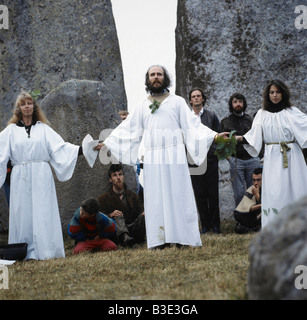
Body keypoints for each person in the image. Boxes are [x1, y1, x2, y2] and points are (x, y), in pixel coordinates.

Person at [94, 65, 229, 249]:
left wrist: (213, 135)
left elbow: (192, 126)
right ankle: (160, 239)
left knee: (178, 195)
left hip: (175, 156)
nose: (156, 77)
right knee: (156, 198)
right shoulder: (142, 105)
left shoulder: (178, 102)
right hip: (153, 157)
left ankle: (184, 238)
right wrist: (108, 143)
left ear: (165, 78)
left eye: (159, 74)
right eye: (152, 75)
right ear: (147, 79)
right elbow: (128, 129)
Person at [0, 91, 82, 260]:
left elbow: (61, 148)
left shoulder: (44, 129)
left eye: (29, 103)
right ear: (19, 108)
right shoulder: (10, 131)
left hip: (41, 175)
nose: (27, 106)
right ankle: (23, 251)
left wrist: (84, 149)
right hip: (20, 176)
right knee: (23, 214)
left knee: (43, 211)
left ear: (34, 106)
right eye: (23, 104)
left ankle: (46, 251)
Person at [236, 80, 307, 228]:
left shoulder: (292, 112)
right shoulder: (262, 114)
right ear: (267, 95)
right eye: (272, 92)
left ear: (283, 93)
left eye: (278, 92)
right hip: (273, 157)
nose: (275, 95)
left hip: (292, 155)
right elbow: (253, 136)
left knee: (295, 188)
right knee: (275, 191)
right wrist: (237, 138)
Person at [188, 88, 221, 234]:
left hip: (210, 160)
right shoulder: (187, 118)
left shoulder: (211, 116)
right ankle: (205, 226)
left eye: (198, 96)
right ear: (190, 100)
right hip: (194, 162)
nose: (196, 98)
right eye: (193, 96)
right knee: (199, 194)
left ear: (203, 99)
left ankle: (215, 225)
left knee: (213, 194)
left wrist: (212, 154)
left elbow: (217, 136)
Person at [221, 93, 261, 206]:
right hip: (236, 161)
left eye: (240, 101)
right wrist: (230, 158)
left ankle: (254, 220)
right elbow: (221, 142)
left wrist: (258, 157)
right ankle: (241, 219)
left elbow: (258, 138)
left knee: (254, 190)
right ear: (231, 104)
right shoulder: (225, 122)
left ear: (244, 103)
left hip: (252, 160)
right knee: (239, 193)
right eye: (235, 102)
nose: (238, 104)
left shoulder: (251, 120)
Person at [98, 164, 145, 247]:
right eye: (115, 175)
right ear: (110, 179)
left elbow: (141, 211)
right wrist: (110, 215)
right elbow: (99, 217)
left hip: (133, 228)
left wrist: (144, 214)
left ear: (123, 177)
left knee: (144, 215)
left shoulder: (133, 195)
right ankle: (125, 238)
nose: (118, 178)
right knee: (118, 216)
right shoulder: (104, 198)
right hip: (117, 231)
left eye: (120, 174)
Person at [234, 167, 262, 234]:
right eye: (254, 180)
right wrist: (261, 205)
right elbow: (246, 207)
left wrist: (257, 195)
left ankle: (251, 229)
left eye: (258, 180)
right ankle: (253, 229)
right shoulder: (252, 189)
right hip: (254, 217)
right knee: (237, 214)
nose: (255, 183)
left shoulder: (270, 189)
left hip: (264, 216)